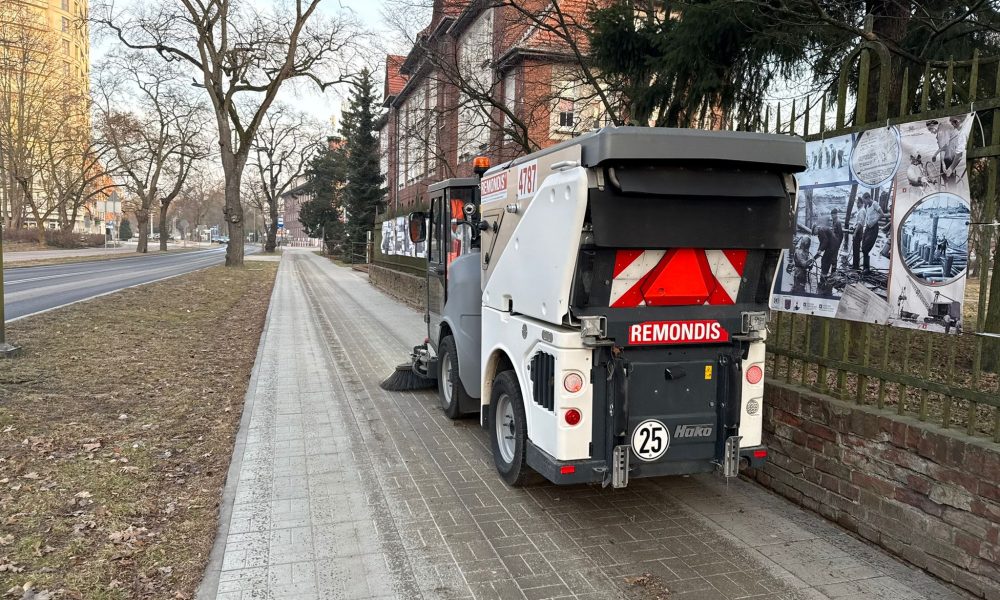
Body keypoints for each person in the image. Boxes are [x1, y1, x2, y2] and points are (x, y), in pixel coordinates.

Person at [816, 209, 844, 277]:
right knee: (831, 258)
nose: (832, 216)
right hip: (833, 242)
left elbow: (841, 234)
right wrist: (820, 248)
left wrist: (838, 245)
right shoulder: (834, 222)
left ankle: (833, 273)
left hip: (836, 242)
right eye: (831, 215)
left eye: (833, 215)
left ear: (836, 214)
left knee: (834, 259)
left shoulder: (838, 222)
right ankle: (831, 273)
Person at [861, 193, 884, 272]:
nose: (864, 203)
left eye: (865, 201)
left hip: (873, 228)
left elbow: (882, 214)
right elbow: (867, 218)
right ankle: (865, 267)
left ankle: (866, 268)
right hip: (868, 227)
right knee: (863, 246)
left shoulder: (874, 204)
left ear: (868, 198)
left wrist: (874, 222)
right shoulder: (867, 206)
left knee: (866, 247)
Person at [851, 195, 868, 270]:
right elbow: (857, 222)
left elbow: (860, 223)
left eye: (858, 203)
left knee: (856, 249)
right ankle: (855, 265)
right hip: (857, 230)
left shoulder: (862, 211)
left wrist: (855, 233)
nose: (857, 205)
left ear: (861, 203)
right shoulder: (860, 210)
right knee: (855, 249)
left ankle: (855, 267)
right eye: (856, 203)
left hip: (858, 232)